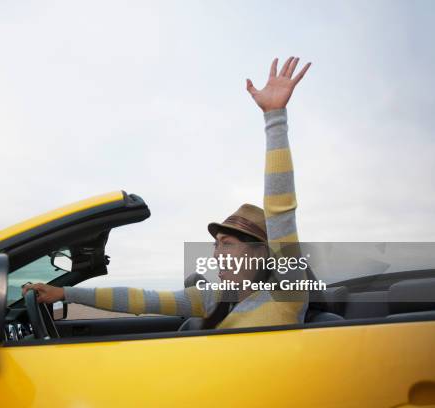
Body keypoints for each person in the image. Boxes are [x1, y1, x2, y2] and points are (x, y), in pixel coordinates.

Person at [23, 56, 312, 330]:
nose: (217, 254)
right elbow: (141, 298)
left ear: (261, 252)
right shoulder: (214, 300)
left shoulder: (286, 293)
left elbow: (280, 210)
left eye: (227, 244)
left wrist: (275, 117)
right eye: (216, 246)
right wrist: (64, 293)